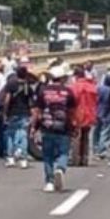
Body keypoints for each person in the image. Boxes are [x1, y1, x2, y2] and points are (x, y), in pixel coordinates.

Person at [33, 64, 77, 193]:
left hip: (47, 127)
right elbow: (72, 111)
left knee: (48, 155)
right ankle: (60, 169)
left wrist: (34, 127)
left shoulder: (43, 91)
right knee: (63, 152)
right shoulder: (68, 92)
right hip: (64, 127)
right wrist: (75, 126)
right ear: (62, 78)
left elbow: (38, 111)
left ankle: (49, 182)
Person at [3, 61, 37, 168]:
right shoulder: (28, 86)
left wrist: (5, 112)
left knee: (10, 135)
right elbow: (31, 103)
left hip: (12, 112)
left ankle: (10, 157)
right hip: (24, 113)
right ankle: (23, 159)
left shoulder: (11, 84)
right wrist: (33, 116)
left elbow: (7, 99)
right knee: (23, 136)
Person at [69, 65, 99, 167]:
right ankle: (84, 158)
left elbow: (72, 101)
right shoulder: (92, 86)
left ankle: (76, 159)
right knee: (86, 137)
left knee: (76, 137)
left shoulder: (75, 87)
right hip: (90, 114)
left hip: (78, 114)